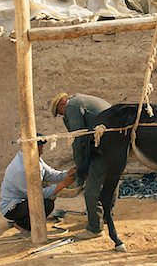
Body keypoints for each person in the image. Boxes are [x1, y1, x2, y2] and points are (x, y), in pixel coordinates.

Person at [50, 92, 112, 240]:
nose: (63, 116)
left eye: (60, 113)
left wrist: (81, 167)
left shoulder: (72, 106)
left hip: (104, 147)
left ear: (62, 104)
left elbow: (79, 139)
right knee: (111, 182)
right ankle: (107, 217)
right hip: (114, 145)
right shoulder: (84, 99)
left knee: (91, 190)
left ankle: (95, 228)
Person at [0, 134, 76, 235]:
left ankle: (22, 219)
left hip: (24, 200)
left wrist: (67, 174)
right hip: (12, 207)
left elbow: (50, 174)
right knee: (47, 204)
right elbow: (36, 195)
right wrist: (63, 184)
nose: (42, 151)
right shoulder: (20, 170)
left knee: (51, 195)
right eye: (40, 149)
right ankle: (22, 224)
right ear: (33, 149)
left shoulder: (34, 157)